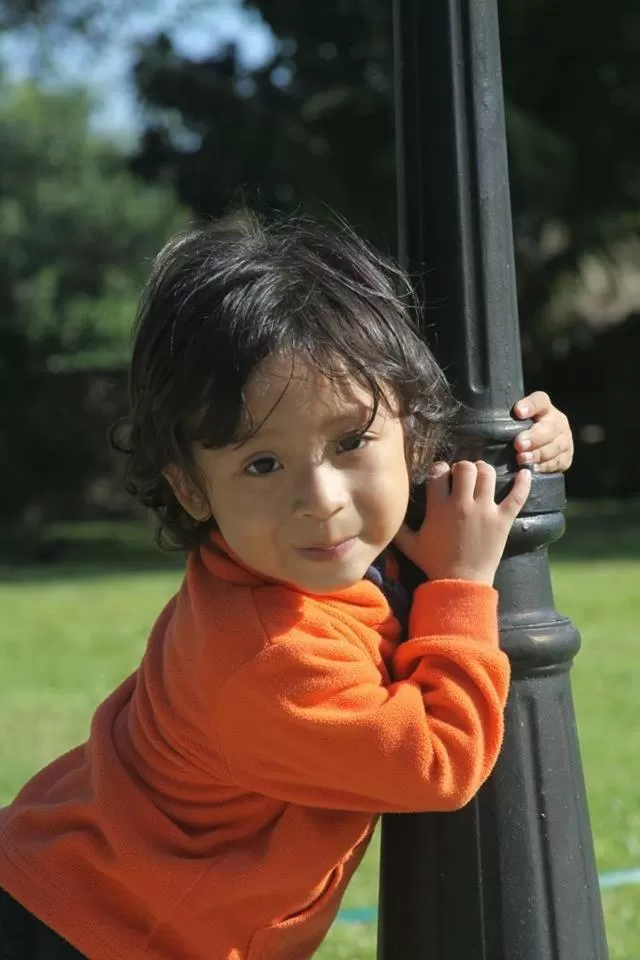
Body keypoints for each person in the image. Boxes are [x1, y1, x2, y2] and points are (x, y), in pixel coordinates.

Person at [0, 212, 574, 960]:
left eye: (349, 442)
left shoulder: (303, 557)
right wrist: (463, 583)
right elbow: (435, 761)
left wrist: (529, 443)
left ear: (413, 429)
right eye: (262, 466)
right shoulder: (269, 658)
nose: (322, 498)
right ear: (193, 489)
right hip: (90, 929)